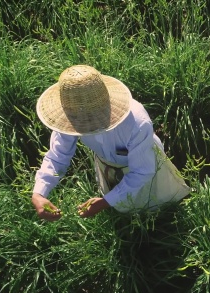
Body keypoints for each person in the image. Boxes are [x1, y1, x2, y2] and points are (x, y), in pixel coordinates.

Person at [31, 64, 190, 221]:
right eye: (79, 121)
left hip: (145, 162)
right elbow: (58, 156)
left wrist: (105, 202)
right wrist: (39, 193)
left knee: (157, 206)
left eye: (90, 119)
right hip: (107, 164)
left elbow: (142, 171)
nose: (85, 124)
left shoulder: (137, 123)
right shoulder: (69, 117)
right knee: (122, 211)